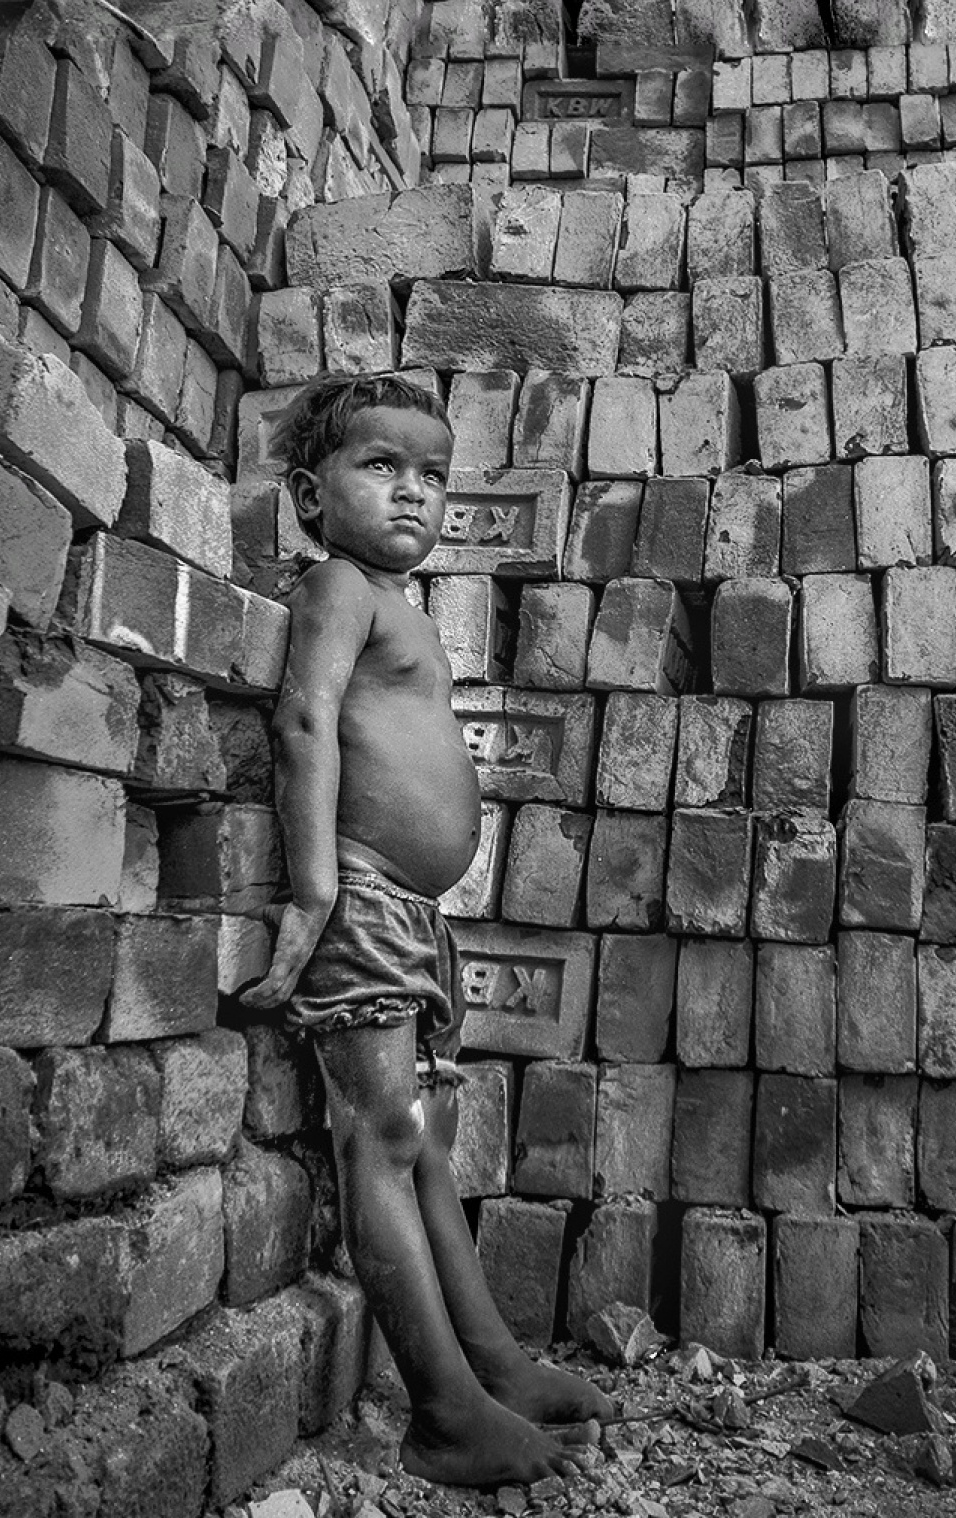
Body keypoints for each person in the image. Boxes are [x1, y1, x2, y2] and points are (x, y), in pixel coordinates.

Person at [239, 373, 615, 1487]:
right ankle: (443, 1414)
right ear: (311, 495)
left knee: (429, 1141)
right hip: (359, 899)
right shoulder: (336, 587)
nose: (413, 491)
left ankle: (494, 1366)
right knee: (383, 1135)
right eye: (380, 465)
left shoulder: (399, 606)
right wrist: (312, 892)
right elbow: (304, 722)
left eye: (433, 473)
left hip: (411, 913)